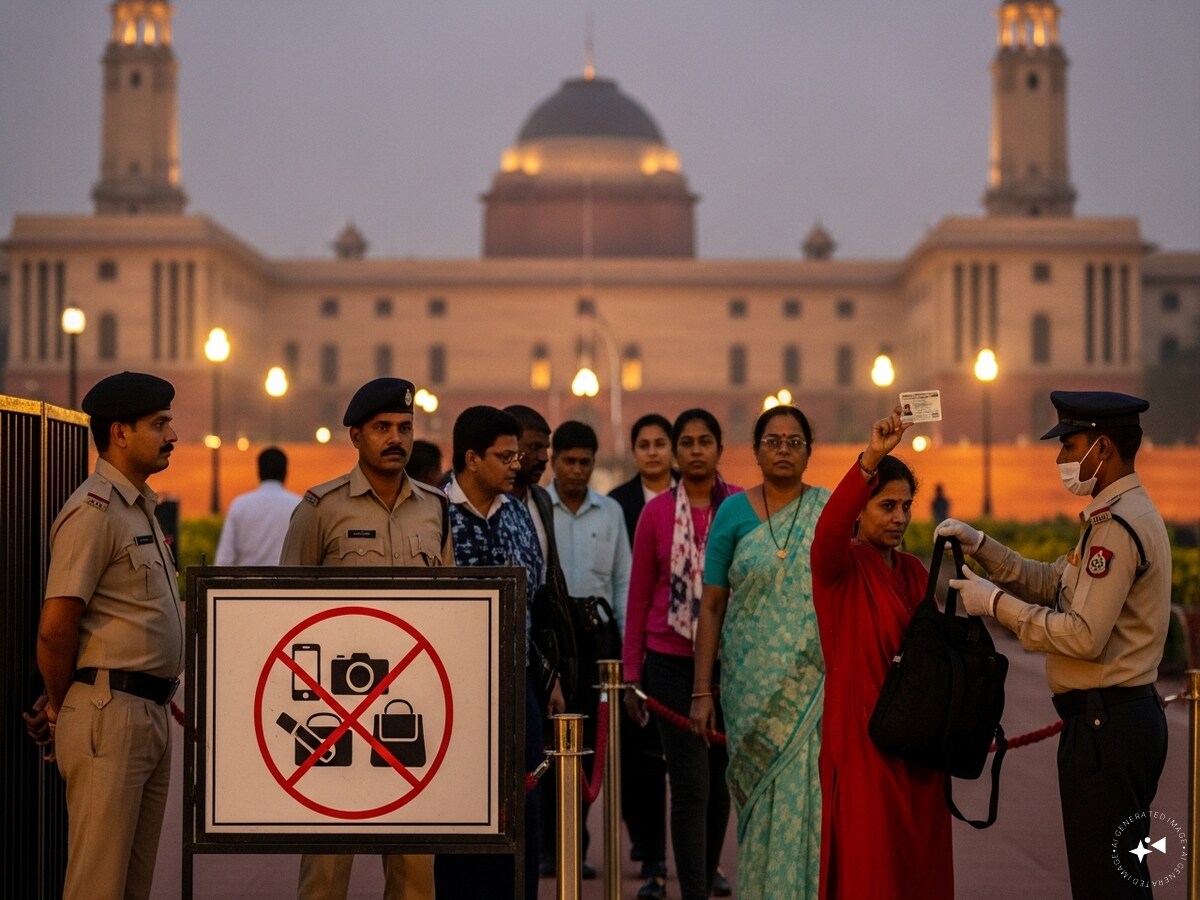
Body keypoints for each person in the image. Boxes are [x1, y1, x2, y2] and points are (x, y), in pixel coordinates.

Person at [938, 390, 1171, 900]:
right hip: (1112, 720)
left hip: (1107, 725)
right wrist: (983, 547)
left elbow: (1084, 636)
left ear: (1102, 448)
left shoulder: (1117, 526)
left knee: (1106, 885)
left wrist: (996, 605)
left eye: (1070, 445)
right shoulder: (1116, 514)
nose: (1061, 459)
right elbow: (1051, 583)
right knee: (1114, 879)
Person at [279, 376, 450, 900]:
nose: (396, 438)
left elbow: (450, 608)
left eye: (404, 427)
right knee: (327, 870)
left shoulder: (434, 508)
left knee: (414, 872)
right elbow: (285, 614)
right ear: (355, 436)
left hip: (411, 709)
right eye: (382, 428)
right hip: (337, 713)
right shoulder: (320, 509)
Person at [35, 371, 183, 900]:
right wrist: (61, 706)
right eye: (159, 424)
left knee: (131, 887)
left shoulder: (137, 507)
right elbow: (55, 630)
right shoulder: (93, 512)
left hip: (146, 713)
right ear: (120, 433)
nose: (172, 435)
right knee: (98, 886)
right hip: (109, 714)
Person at [811, 408, 952, 900]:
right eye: (886, 506)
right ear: (861, 510)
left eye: (906, 507)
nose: (899, 518)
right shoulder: (838, 569)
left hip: (919, 750)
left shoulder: (916, 573)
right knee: (870, 875)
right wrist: (870, 458)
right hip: (864, 749)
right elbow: (828, 529)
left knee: (919, 871)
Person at [690, 405, 830, 900]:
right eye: (773, 441)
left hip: (813, 687)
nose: (784, 450)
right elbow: (710, 606)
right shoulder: (730, 512)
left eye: (795, 441)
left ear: (809, 452)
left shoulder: (828, 510)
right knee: (755, 798)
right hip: (749, 685)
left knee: (809, 798)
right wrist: (701, 690)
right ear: (756, 452)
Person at [437, 405, 558, 900]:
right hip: (452, 689)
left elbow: (539, 596)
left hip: (517, 684)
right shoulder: (432, 512)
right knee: (460, 813)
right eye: (505, 456)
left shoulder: (517, 513)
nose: (516, 464)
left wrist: (547, 683)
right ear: (471, 458)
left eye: (518, 454)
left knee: (522, 809)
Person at [624, 409, 741, 900]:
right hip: (669, 660)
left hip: (729, 661)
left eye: (705, 441)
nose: (695, 450)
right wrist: (632, 672)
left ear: (719, 448)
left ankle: (707, 868)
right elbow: (639, 595)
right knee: (690, 783)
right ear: (676, 450)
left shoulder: (740, 507)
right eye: (686, 442)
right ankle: (693, 889)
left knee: (719, 783)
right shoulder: (655, 513)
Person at [541, 420, 632, 879]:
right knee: (545, 741)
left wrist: (626, 655)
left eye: (585, 461)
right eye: (568, 460)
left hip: (597, 639)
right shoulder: (538, 508)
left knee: (589, 747)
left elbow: (623, 583)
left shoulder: (610, 513)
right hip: (553, 639)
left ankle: (577, 844)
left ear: (594, 463)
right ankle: (544, 844)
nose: (577, 469)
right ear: (554, 462)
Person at [607, 413, 675, 897]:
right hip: (641, 642)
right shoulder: (619, 505)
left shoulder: (706, 501)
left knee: (695, 764)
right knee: (641, 760)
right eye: (644, 444)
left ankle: (695, 857)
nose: (652, 452)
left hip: (691, 645)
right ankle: (651, 851)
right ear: (634, 452)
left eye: (660, 443)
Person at [215, 446, 301, 565]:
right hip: (286, 582)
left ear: (258, 472)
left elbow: (224, 560)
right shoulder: (297, 505)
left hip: (247, 582)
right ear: (285, 473)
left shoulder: (240, 505)